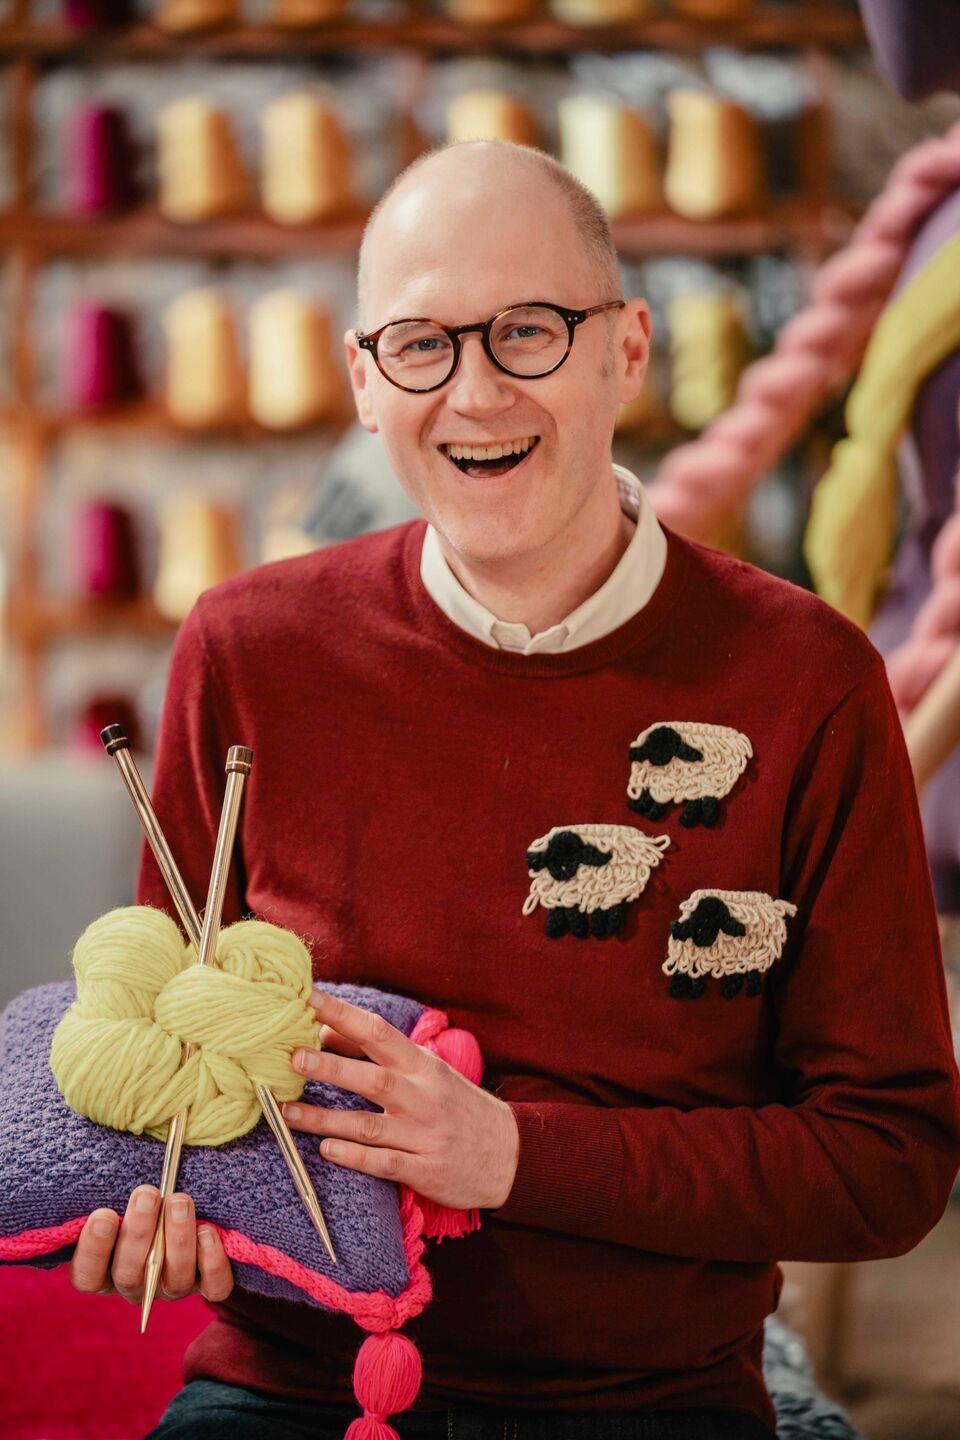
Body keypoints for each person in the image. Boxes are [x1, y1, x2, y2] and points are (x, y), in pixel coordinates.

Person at [67, 140, 960, 1440]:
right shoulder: (248, 650)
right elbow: (170, 1054)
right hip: (292, 1386)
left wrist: (511, 1155)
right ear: (366, 382)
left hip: (647, 1399)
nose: (475, 393)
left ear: (630, 349)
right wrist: (156, 1197)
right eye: (423, 344)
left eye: (528, 332)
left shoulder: (806, 682)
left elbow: (888, 1167)